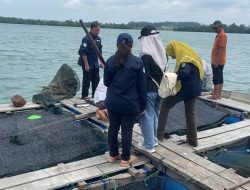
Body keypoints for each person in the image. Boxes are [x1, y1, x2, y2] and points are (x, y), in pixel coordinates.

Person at [104, 33, 147, 167]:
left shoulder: (110, 61)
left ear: (117, 45)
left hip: (113, 102)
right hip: (130, 103)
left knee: (113, 127)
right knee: (127, 130)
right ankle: (125, 158)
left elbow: (106, 82)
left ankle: (112, 155)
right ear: (132, 45)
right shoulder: (137, 62)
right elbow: (142, 87)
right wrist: (142, 105)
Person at [157, 41, 204, 147]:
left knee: (165, 105)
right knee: (190, 113)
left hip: (185, 90)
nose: (172, 57)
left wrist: (172, 78)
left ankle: (159, 136)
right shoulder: (192, 56)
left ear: (175, 50)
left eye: (171, 54)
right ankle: (193, 141)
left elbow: (185, 72)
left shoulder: (185, 59)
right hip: (196, 89)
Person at [138, 25, 167, 153]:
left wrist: (140, 95)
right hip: (161, 89)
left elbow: (143, 76)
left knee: (147, 117)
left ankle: (149, 145)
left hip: (149, 90)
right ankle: (154, 140)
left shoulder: (146, 56)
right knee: (155, 115)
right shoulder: (162, 53)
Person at [78, 21, 103, 100]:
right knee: (87, 80)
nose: (97, 32)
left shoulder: (98, 39)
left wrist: (101, 62)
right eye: (95, 30)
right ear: (91, 29)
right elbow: (83, 53)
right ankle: (84, 96)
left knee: (96, 80)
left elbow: (100, 52)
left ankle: (95, 97)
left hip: (95, 64)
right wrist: (86, 64)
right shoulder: (86, 39)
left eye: (98, 30)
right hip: (87, 62)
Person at [208, 20, 227, 100]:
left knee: (216, 78)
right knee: (219, 77)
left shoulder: (222, 35)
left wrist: (216, 61)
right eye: (213, 28)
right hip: (219, 61)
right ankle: (218, 95)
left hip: (218, 61)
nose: (214, 30)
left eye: (215, 28)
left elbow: (221, 49)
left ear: (220, 27)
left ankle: (215, 95)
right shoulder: (219, 35)